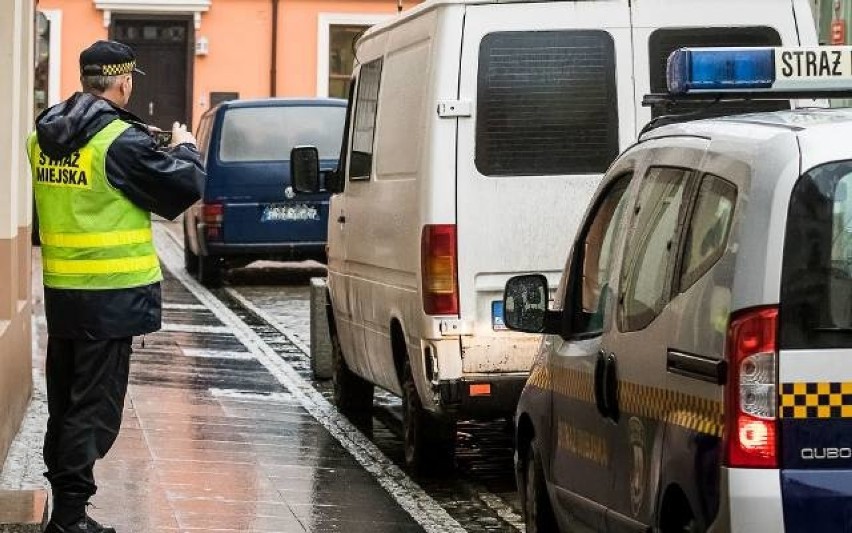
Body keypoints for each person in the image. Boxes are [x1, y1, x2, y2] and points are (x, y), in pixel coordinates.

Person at [25, 40, 206, 533]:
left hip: (63, 295)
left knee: (66, 404)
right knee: (93, 411)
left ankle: (67, 508)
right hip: (111, 296)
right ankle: (68, 518)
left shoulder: (43, 135)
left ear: (87, 78)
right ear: (124, 82)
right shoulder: (119, 142)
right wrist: (187, 146)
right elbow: (184, 187)